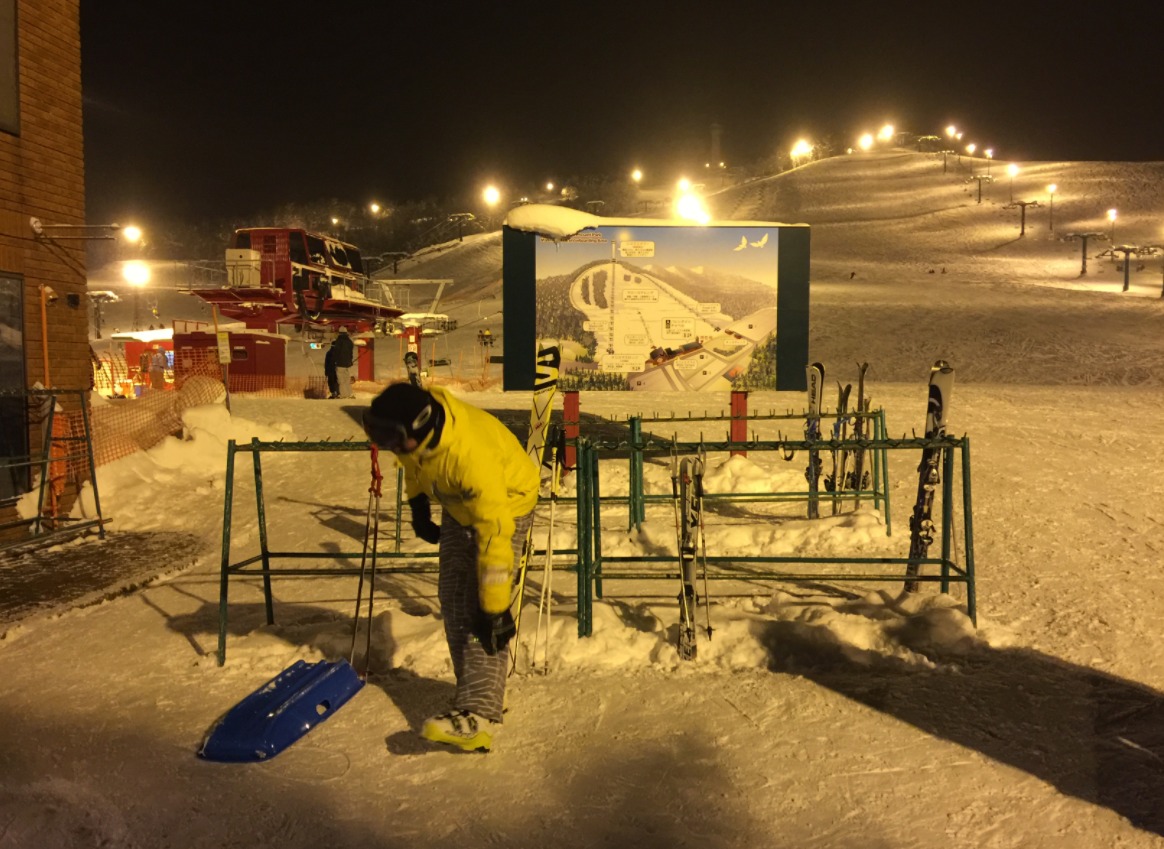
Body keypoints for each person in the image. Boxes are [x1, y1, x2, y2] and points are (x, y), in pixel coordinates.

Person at [362, 382, 538, 752]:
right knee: (453, 599)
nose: (390, 448)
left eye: (392, 440)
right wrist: (418, 507)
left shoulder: (470, 455)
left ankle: (477, 715)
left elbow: (495, 534)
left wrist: (495, 606)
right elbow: (414, 460)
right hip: (458, 503)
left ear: (420, 426)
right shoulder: (420, 434)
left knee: (482, 612)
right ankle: (479, 689)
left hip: (505, 504)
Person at [331, 327, 355, 398]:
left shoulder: (338, 341)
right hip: (347, 364)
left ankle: (343, 395)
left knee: (341, 381)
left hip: (340, 364)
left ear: (339, 333)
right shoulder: (350, 341)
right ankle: (350, 394)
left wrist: (333, 361)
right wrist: (350, 361)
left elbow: (336, 353)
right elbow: (351, 353)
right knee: (347, 380)